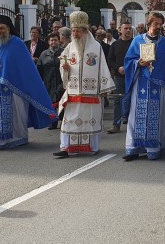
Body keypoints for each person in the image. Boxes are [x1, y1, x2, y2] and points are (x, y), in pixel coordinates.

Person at [0, 15, 57, 152]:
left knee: (17, 115)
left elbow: (26, 68)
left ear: (8, 29)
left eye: (2, 28)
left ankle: (18, 139)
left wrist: (18, 82)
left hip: (15, 88)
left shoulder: (17, 44)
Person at [54, 11, 116, 157]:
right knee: (69, 120)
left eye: (78, 31)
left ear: (85, 31)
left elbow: (103, 67)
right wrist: (65, 68)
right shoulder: (70, 47)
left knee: (90, 120)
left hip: (92, 93)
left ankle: (91, 147)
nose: (75, 34)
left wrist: (104, 88)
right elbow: (63, 62)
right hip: (73, 91)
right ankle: (65, 148)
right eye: (73, 31)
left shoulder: (96, 47)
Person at [121, 13, 165, 161]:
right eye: (156, 24)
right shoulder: (137, 40)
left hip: (158, 86)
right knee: (135, 115)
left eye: (160, 24)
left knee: (157, 117)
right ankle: (133, 148)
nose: (158, 27)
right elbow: (128, 61)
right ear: (149, 24)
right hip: (140, 84)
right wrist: (138, 63)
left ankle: (153, 149)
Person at [106, 22, 132, 134]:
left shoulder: (135, 43)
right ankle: (116, 125)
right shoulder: (115, 45)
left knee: (133, 100)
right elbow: (110, 59)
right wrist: (118, 68)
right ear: (120, 30)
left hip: (133, 76)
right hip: (119, 77)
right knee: (117, 100)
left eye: (130, 28)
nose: (128, 30)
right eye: (126, 28)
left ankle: (132, 125)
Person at [38, 32, 65, 130]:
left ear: (59, 41)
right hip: (48, 81)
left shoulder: (64, 52)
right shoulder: (44, 54)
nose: (53, 42)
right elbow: (39, 68)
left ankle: (64, 121)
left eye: (55, 40)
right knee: (51, 103)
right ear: (49, 42)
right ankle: (52, 122)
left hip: (61, 81)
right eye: (51, 40)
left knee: (62, 102)